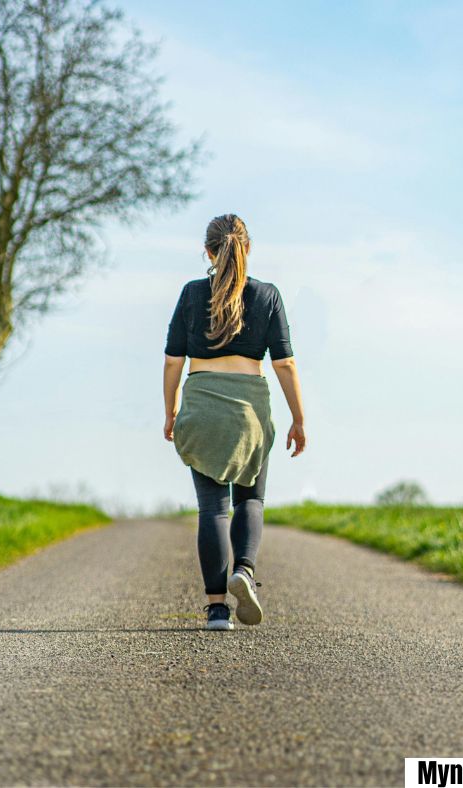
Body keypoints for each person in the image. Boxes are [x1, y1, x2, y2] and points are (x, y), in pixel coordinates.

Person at [162, 213, 306, 631]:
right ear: (248, 248)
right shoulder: (267, 296)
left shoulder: (191, 294)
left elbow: (173, 361)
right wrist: (298, 418)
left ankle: (217, 610)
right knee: (251, 501)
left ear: (208, 252)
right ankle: (244, 569)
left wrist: (170, 410)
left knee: (212, 507)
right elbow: (285, 363)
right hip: (249, 410)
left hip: (201, 404)